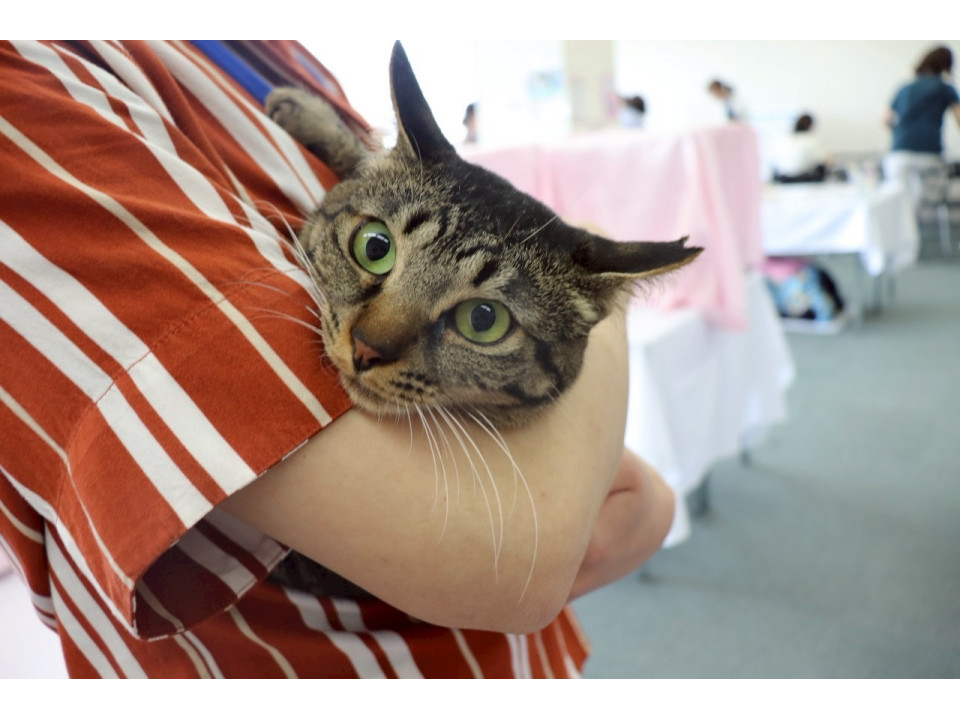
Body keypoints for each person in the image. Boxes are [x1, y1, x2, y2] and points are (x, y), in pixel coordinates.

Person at [0, 41, 674, 678]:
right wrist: (597, 243)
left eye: (480, 319)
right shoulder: (27, 92)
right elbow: (515, 571)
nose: (375, 339)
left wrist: (364, 180)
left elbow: (393, 203)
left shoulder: (279, 47)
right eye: (375, 252)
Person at [882, 45, 960, 210]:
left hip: (899, 154)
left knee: (901, 205)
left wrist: (901, 135)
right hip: (929, 156)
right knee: (927, 205)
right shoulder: (945, 88)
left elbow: (886, 119)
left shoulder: (904, 88)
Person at [770, 113, 830, 184]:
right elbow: (824, 161)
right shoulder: (810, 139)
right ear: (810, 126)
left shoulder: (783, 139)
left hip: (783, 179)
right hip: (804, 179)